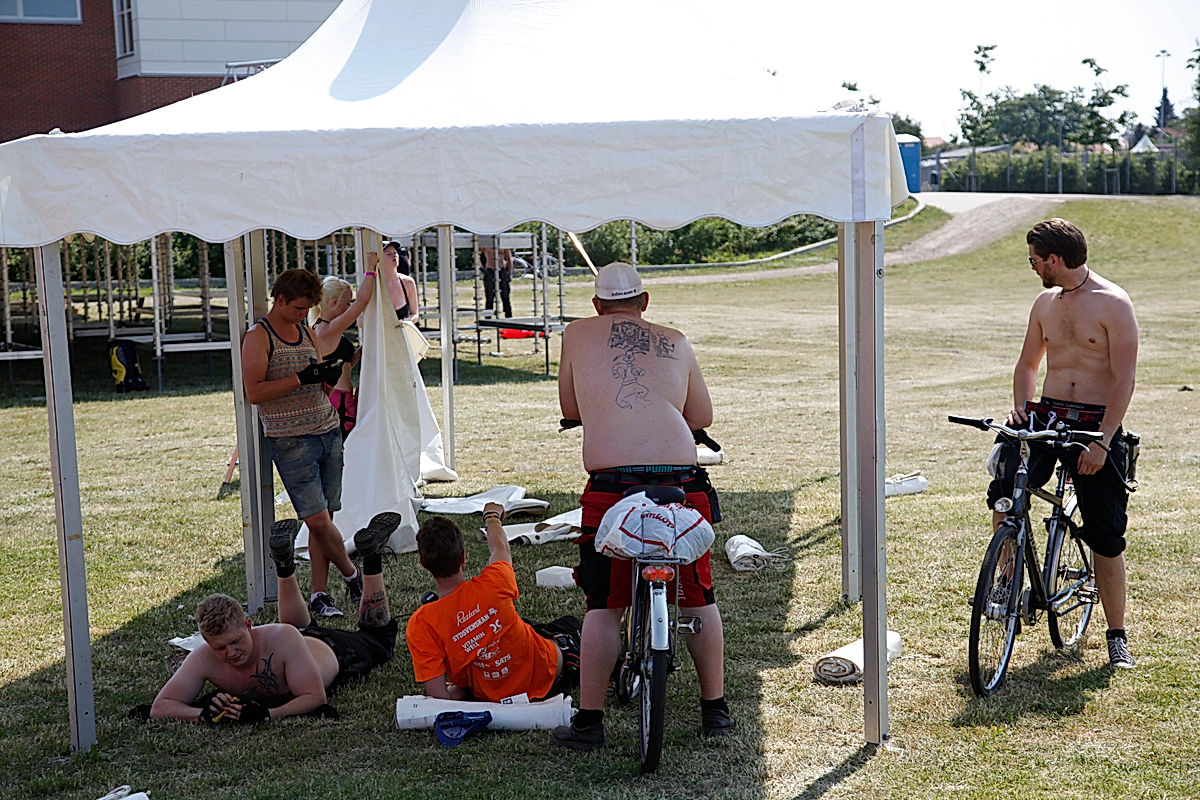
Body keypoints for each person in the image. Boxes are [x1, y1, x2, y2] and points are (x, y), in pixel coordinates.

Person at [552, 262, 733, 750]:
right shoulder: (674, 339)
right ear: (645, 302)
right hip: (680, 483)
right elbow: (703, 416)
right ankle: (714, 710)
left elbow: (570, 408)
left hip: (612, 485)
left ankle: (589, 724)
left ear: (597, 305)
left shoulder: (577, 334)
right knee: (698, 596)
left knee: (603, 606)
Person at [989, 218, 1139, 669]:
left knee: (1106, 537)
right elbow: (1027, 363)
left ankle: (1117, 636)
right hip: (1049, 415)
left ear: (1054, 259)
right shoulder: (1044, 303)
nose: (1033, 267)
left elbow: (1124, 379)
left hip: (1095, 425)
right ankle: (1006, 579)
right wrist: (1020, 407)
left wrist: (1103, 442)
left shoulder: (1113, 303)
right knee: (1004, 495)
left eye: (1035, 260)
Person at [149, 512, 402, 722]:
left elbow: (315, 697)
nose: (231, 652)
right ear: (207, 642)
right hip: (293, 640)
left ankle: (371, 558)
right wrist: (202, 714)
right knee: (292, 628)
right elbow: (160, 708)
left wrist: (268, 714)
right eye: (221, 648)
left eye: (235, 641)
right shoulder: (203, 657)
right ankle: (283, 563)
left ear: (249, 626)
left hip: (334, 649)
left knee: (378, 640)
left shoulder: (281, 637)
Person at [240, 267, 376, 618]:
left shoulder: (304, 331)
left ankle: (319, 593)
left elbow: (317, 382)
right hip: (290, 437)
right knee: (316, 520)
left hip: (326, 428)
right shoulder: (259, 336)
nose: (305, 316)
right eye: (300, 308)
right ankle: (353, 574)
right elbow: (254, 391)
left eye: (307, 310)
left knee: (326, 518)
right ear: (280, 299)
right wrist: (299, 378)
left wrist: (325, 380)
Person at [406, 503, 580, 703]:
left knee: (530, 626)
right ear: (464, 557)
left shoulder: (422, 624)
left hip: (491, 695)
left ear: (423, 565)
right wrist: (492, 517)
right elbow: (500, 547)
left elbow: (439, 699)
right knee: (568, 625)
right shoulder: (494, 583)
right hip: (548, 674)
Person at [311, 275, 365, 440]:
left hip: (343, 397)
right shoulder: (326, 329)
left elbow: (343, 365)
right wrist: (370, 272)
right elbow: (361, 302)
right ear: (335, 302)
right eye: (348, 302)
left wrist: (362, 352)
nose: (350, 307)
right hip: (338, 401)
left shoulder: (326, 328)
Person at [379, 241, 419, 322]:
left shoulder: (408, 282)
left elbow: (415, 314)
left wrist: (405, 323)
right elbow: (360, 321)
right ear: (379, 259)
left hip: (403, 333)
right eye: (389, 254)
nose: (394, 255)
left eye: (395, 252)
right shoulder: (372, 284)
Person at [480, 246, 513, 318]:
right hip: (490, 270)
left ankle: (508, 316)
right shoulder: (486, 243)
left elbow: (509, 258)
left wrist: (510, 272)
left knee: (505, 295)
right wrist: (481, 268)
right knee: (489, 296)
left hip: (502, 270)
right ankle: (488, 318)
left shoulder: (502, 243)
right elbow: (476, 254)